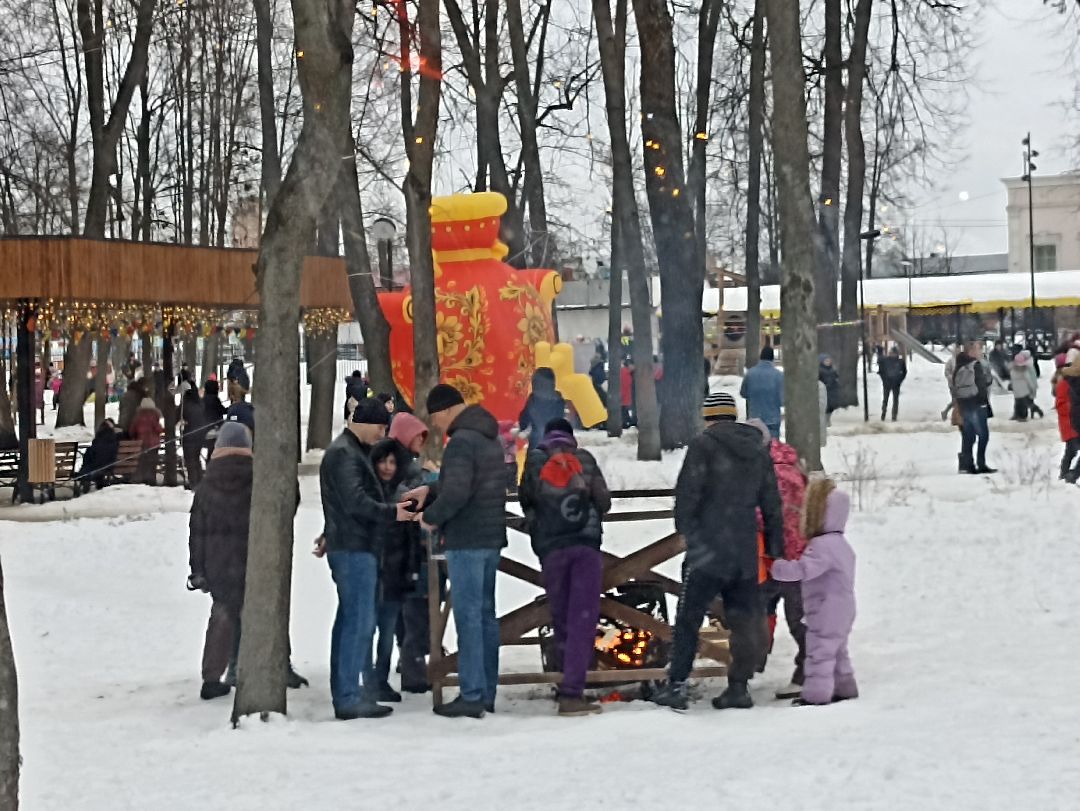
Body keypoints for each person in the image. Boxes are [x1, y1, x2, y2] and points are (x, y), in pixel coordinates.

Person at [652, 391, 784, 711]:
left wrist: (689, 535)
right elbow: (772, 504)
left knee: (688, 618)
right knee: (743, 619)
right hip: (744, 549)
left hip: (709, 549)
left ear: (708, 417)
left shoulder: (703, 445)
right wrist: (775, 548)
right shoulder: (758, 450)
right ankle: (738, 686)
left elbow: (688, 493)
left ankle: (678, 683)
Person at [409, 383, 507, 719]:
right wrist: (432, 486)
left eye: (434, 416)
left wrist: (430, 517)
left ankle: (471, 693)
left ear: (447, 410)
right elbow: (473, 482)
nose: (435, 424)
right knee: (485, 617)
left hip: (467, 539)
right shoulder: (489, 437)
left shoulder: (461, 442)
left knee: (468, 617)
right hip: (491, 536)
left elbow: (458, 492)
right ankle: (487, 690)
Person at [320, 398, 413, 720]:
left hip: (352, 545)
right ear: (364, 422)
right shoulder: (345, 454)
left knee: (351, 621)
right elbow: (356, 502)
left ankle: (348, 692)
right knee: (359, 623)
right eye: (379, 427)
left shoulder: (350, 451)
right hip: (355, 549)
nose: (382, 434)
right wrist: (396, 513)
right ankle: (348, 696)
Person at [519, 418, 611, 717]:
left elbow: (525, 500)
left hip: (551, 549)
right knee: (582, 618)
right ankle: (573, 692)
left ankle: (563, 683)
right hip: (585, 546)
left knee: (561, 618)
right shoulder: (584, 459)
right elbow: (604, 501)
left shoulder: (535, 460)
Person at [771, 479, 858, 706]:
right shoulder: (842, 544)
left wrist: (779, 567)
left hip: (825, 608)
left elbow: (804, 570)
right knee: (837, 650)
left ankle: (816, 695)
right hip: (843, 607)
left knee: (819, 652)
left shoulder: (821, 546)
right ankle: (845, 687)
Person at [187, 422, 255, 700]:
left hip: (217, 562)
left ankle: (212, 675)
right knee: (249, 615)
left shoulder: (207, 483)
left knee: (222, 616)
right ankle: (244, 668)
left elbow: (197, 531)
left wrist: (198, 569)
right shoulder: (257, 477)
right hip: (249, 556)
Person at [748, 421, 809, 700]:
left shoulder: (775, 473)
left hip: (788, 553)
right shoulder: (789, 464)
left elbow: (771, 515)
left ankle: (808, 671)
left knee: (797, 615)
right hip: (791, 550)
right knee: (771, 607)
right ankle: (755, 660)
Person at [367, 438, 422, 704]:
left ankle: (380, 677)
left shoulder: (404, 493)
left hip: (394, 572)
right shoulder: (367, 492)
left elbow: (412, 538)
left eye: (392, 462)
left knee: (388, 629)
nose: (387, 467)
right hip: (373, 569)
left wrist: (410, 570)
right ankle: (369, 678)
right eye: (382, 461)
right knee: (368, 628)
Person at [386, 412, 437, 693]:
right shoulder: (398, 464)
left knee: (410, 612)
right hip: (408, 546)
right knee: (415, 610)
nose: (422, 440)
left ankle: (412, 663)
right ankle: (414, 671)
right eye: (418, 435)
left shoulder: (402, 462)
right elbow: (402, 497)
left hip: (405, 547)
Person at [953, 343, 996, 475]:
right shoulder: (975, 365)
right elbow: (982, 385)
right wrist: (983, 401)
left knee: (968, 435)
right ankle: (981, 463)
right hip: (977, 404)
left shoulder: (959, 364)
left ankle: (966, 465)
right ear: (971, 350)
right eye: (979, 349)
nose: (981, 351)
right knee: (983, 435)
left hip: (964, 404)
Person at [740, 345, 784, 438]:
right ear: (773, 358)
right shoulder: (778, 375)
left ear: (760, 357)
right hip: (772, 419)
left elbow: (743, 393)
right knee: (772, 448)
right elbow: (782, 400)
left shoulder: (750, 373)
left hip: (754, 418)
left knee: (755, 447)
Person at [519, 367, 566, 452]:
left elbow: (524, 419)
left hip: (536, 442)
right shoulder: (559, 400)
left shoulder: (533, 399)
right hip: (555, 441)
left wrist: (522, 428)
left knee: (535, 462)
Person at [78, 419, 121, 493]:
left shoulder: (99, 440)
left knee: (89, 462)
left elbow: (91, 456)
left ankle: (85, 480)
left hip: (97, 467)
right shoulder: (116, 440)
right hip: (111, 467)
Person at [1056, 353, 1080, 483]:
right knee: (1071, 451)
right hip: (1070, 423)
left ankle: (1066, 474)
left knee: (1071, 451)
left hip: (1074, 421)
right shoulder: (1065, 383)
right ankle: (1067, 475)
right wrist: (1072, 409)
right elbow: (1060, 405)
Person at [130, 397, 163, 485]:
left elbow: (132, 430)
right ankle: (151, 480)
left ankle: (142, 479)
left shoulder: (138, 416)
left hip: (141, 443)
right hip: (154, 444)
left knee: (142, 462)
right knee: (152, 463)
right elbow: (159, 429)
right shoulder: (154, 415)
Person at [180, 386, 207, 489]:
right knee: (196, 459)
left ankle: (193, 482)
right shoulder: (201, 405)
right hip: (200, 436)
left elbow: (178, 415)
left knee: (190, 460)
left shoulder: (185, 406)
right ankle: (199, 481)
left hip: (189, 436)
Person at [1010, 350, 1043, 421]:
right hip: (1018, 390)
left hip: (1026, 389)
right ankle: (1017, 414)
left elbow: (1031, 378)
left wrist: (1032, 388)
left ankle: (1025, 414)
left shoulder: (1028, 367)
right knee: (1019, 402)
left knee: (1026, 402)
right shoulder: (1018, 368)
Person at [877, 346, 908, 422]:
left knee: (895, 400)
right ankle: (883, 414)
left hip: (896, 383)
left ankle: (894, 416)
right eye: (891, 353)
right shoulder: (885, 361)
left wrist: (899, 380)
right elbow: (881, 371)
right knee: (885, 399)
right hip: (887, 383)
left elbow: (904, 372)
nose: (892, 354)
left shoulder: (900, 361)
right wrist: (884, 379)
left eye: (893, 353)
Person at [818, 354, 841, 424]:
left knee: (832, 406)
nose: (828, 362)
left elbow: (836, 377)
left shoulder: (833, 369)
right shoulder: (819, 370)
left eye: (829, 361)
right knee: (825, 406)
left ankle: (828, 419)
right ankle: (825, 420)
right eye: (826, 361)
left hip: (832, 390)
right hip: (824, 390)